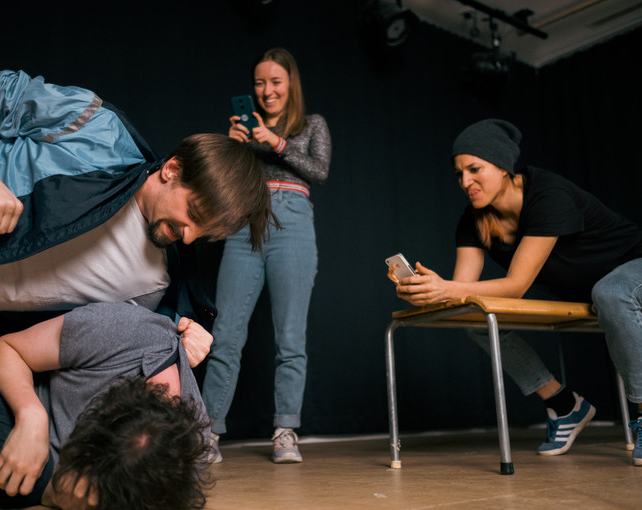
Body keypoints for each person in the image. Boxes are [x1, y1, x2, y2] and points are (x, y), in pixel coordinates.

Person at [0, 66, 272, 362]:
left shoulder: (156, 285)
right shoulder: (99, 130)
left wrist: (178, 343)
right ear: (172, 169)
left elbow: (99, 350)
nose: (189, 237)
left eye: (205, 234)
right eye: (193, 213)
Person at [388, 118, 642, 463]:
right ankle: (564, 405)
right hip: (589, 291)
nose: (465, 182)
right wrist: (425, 290)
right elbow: (463, 292)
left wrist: (446, 289)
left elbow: (516, 285)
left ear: (504, 167)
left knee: (610, 292)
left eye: (474, 169)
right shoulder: (473, 219)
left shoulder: (548, 195)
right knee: (474, 317)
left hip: (632, 268)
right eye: (459, 174)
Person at [0, 300, 211, 509]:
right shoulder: (124, 334)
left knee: (20, 482)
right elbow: (3, 350)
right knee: (10, 473)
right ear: (100, 414)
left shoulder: (180, 465)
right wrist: (31, 415)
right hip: (0, 380)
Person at [201, 48, 332, 463]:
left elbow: (320, 171)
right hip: (246, 223)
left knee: (290, 338)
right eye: (259, 83)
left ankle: (285, 431)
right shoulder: (245, 128)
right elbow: (222, 183)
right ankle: (207, 432)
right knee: (225, 334)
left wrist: (275, 142)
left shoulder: (312, 124)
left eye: (275, 81)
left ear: (291, 84)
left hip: (293, 224)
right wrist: (232, 148)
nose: (267, 90)